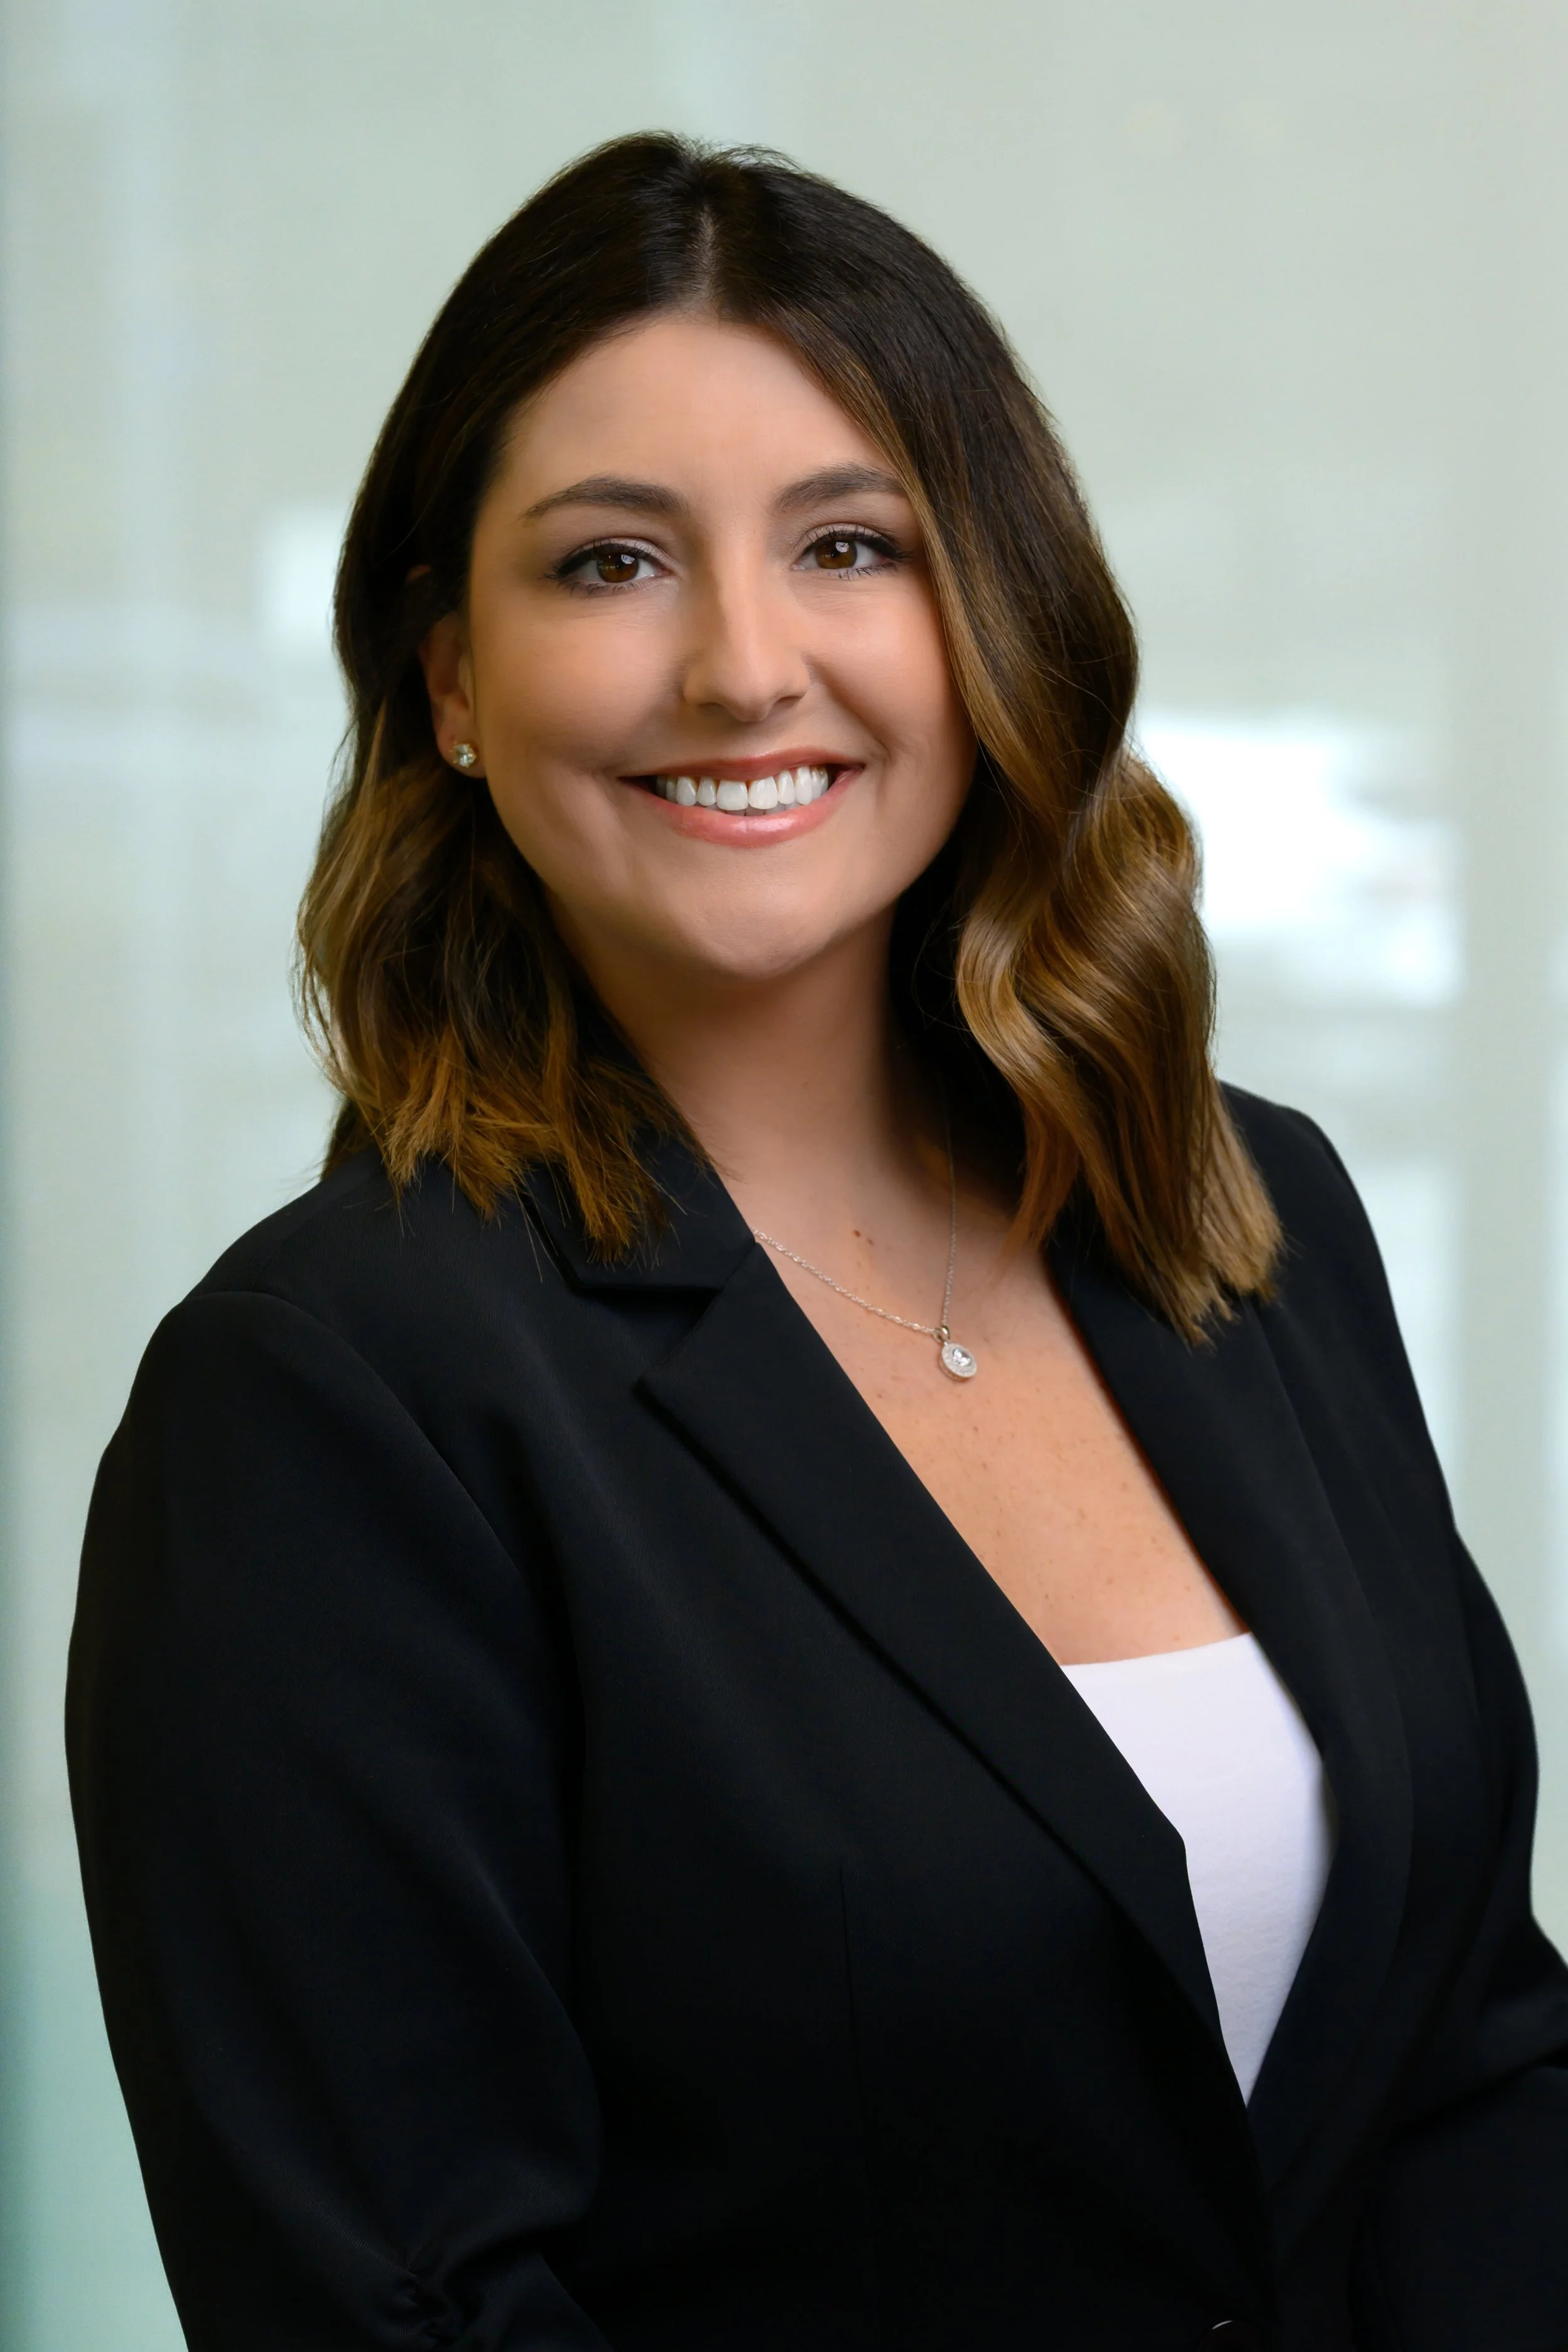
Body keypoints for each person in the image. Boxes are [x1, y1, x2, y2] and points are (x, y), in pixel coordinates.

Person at [67, 133, 1568, 2352]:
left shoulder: (1240, 1218)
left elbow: (1467, 2065)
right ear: (451, 679)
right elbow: (406, 2302)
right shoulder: (331, 1397)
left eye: (849, 544)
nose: (742, 666)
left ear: (988, 620)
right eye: (608, 566)